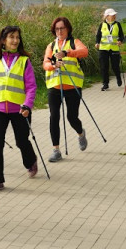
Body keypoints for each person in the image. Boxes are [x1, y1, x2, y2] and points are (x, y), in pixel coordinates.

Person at [0, 26, 39, 192]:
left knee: (21, 141)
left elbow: (31, 87)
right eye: (11, 37)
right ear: (3, 40)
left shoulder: (24, 61)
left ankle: (30, 161)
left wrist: (27, 105)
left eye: (17, 37)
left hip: (19, 110)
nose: (15, 40)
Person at [42, 17, 89, 162]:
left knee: (71, 117)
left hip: (72, 85)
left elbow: (84, 51)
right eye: (57, 29)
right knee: (54, 116)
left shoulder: (74, 42)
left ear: (68, 29)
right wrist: (53, 66)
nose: (59, 31)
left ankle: (81, 133)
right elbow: (45, 63)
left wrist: (67, 53)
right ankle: (56, 150)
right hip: (55, 85)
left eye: (62, 28)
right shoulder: (51, 45)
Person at [94, 8, 125, 89]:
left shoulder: (117, 24)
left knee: (115, 66)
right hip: (103, 49)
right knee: (104, 66)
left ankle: (118, 77)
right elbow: (98, 36)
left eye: (114, 15)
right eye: (112, 15)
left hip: (114, 48)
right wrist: (97, 43)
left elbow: (121, 35)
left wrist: (120, 41)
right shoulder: (102, 24)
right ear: (107, 16)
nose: (114, 16)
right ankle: (105, 84)